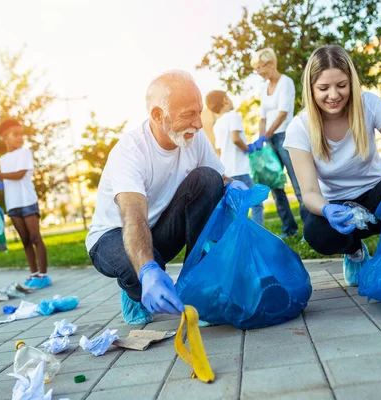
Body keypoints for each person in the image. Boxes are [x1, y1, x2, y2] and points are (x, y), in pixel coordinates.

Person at [85, 70, 247, 325]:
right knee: (141, 268)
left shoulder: (195, 137)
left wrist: (233, 186)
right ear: (158, 115)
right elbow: (134, 216)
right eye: (188, 115)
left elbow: (218, 178)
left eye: (199, 112)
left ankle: (198, 285)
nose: (199, 123)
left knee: (207, 178)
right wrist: (147, 269)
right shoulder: (130, 152)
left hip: (159, 229)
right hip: (114, 235)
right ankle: (135, 289)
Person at [284, 45, 381, 286]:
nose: (333, 95)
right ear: (311, 90)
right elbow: (309, 193)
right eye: (323, 88)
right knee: (315, 232)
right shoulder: (299, 128)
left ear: (351, 82)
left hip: (379, 196)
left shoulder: (367, 104)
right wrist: (328, 210)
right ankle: (354, 251)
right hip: (341, 211)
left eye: (341, 85)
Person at [0, 120, 50, 289]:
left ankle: (44, 275)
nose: (20, 137)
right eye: (15, 134)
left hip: (27, 200)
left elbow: (19, 175)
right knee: (25, 240)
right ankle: (33, 274)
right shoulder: (3, 159)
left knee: (35, 237)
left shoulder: (25, 153)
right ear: (5, 137)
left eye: (21, 133)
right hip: (13, 203)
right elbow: (6, 179)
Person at [250, 48, 303, 238]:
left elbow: (283, 113)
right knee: (275, 185)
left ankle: (309, 229)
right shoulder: (264, 89)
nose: (258, 72)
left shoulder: (286, 82)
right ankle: (289, 229)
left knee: (298, 183)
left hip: (285, 136)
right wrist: (260, 138)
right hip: (270, 140)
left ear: (270, 64)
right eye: (256, 69)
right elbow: (262, 116)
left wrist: (267, 135)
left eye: (259, 67)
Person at [205, 90, 264, 227]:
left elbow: (219, 150)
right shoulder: (233, 116)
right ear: (225, 100)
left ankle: (238, 237)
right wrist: (248, 148)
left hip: (228, 171)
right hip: (240, 170)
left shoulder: (217, 124)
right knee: (256, 203)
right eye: (229, 98)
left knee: (236, 210)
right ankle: (257, 236)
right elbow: (235, 138)